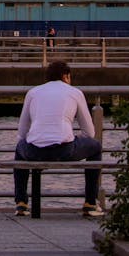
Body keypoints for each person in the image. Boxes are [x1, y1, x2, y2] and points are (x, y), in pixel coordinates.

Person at [13, 59, 102, 218]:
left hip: (34, 151)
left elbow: (22, 132)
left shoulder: (33, 92)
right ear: (66, 76)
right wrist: (74, 137)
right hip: (64, 149)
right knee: (95, 146)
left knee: (20, 147)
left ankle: (21, 203)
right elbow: (89, 132)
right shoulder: (75, 92)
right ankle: (90, 203)